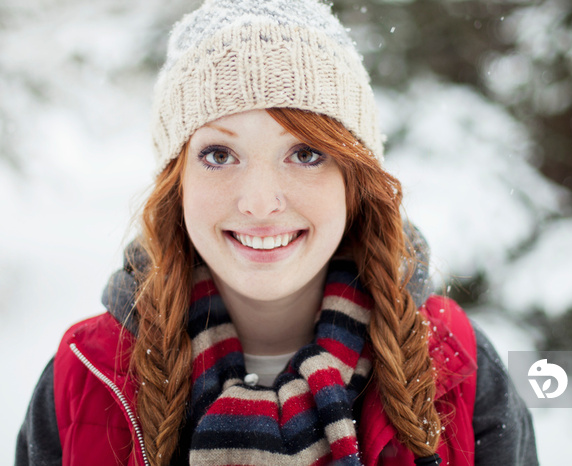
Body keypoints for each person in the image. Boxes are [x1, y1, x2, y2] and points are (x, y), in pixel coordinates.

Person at [15, 0, 538, 465]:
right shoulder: (87, 375)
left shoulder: (454, 365)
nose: (260, 203)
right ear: (177, 185)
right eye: (218, 155)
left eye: (306, 153)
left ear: (354, 182)